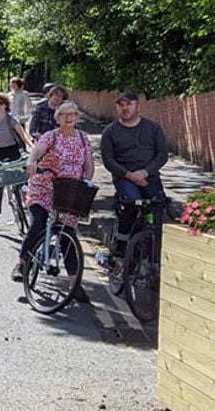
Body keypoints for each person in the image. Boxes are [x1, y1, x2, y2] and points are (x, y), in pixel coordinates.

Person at [13, 101, 93, 304]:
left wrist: (88, 180)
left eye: (72, 114)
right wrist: (31, 163)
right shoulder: (52, 136)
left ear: (77, 118)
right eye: (64, 114)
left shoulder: (84, 139)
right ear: (58, 118)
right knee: (39, 222)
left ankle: (74, 284)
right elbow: (37, 151)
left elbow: (89, 165)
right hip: (44, 187)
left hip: (70, 190)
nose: (69, 117)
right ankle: (22, 263)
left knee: (68, 235)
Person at [100, 92, 169, 255]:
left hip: (149, 177)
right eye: (121, 105)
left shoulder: (153, 128)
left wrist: (145, 172)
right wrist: (129, 175)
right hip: (124, 178)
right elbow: (108, 160)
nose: (125, 108)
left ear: (138, 106)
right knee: (131, 202)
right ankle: (122, 241)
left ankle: (157, 246)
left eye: (129, 104)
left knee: (157, 205)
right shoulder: (110, 131)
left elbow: (162, 155)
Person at [0, 93, 33, 234]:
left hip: (13, 152)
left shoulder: (12, 120)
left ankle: (29, 212)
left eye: (1, 103)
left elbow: (23, 135)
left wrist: (33, 149)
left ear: (6, 105)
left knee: (22, 185)